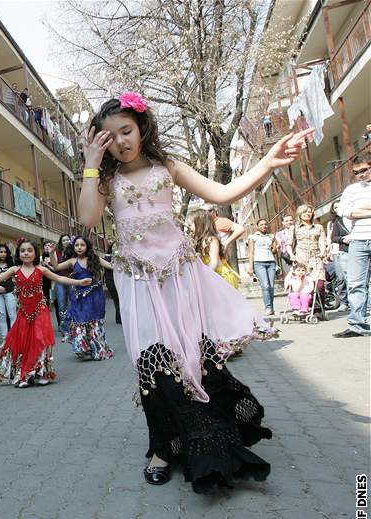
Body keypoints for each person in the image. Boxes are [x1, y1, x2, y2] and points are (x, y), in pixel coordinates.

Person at [76, 92, 311, 492]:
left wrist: (268, 161)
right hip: (137, 283)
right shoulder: (106, 181)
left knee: (192, 355)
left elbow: (223, 193)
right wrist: (91, 167)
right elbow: (87, 217)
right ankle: (162, 448)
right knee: (152, 360)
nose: (121, 141)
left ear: (142, 127)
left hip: (180, 277)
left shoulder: (168, 167)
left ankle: (210, 438)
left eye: (127, 130)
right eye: (110, 136)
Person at [0, 240, 91, 388]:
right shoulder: (14, 270)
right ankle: (25, 374)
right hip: (24, 311)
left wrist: (79, 282)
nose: (26, 253)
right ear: (19, 254)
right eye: (23, 251)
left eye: (29, 250)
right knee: (24, 342)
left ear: (35, 253)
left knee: (39, 340)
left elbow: (59, 278)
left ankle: (42, 373)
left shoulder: (41, 269)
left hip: (40, 310)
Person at [49, 236, 114, 361]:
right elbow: (56, 267)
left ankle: (98, 348)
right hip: (78, 296)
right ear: (73, 247)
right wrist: (52, 253)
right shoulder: (72, 261)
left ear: (87, 246)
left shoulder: (94, 259)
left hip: (95, 294)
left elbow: (111, 266)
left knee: (93, 321)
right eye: (77, 245)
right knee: (80, 320)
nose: (79, 247)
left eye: (82, 245)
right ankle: (83, 348)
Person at [334, 154, 371, 338]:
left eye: (364, 170)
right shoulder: (351, 190)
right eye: (356, 173)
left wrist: (358, 211)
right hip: (358, 241)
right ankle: (357, 325)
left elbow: (353, 212)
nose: (360, 175)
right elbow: (344, 211)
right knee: (356, 284)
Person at [190, 210, 241, 289]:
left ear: (200, 224)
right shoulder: (198, 241)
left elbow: (214, 262)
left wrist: (204, 278)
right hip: (212, 276)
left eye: (191, 224)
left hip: (222, 277)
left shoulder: (211, 240)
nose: (189, 227)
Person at [287, 204, 326, 285]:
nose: (307, 214)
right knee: (305, 285)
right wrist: (291, 255)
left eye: (309, 212)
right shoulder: (294, 228)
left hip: (316, 258)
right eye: (304, 212)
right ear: (299, 214)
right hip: (301, 259)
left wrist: (322, 252)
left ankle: (321, 298)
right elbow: (289, 244)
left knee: (319, 285)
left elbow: (322, 242)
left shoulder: (319, 227)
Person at [247, 219, 279, 316]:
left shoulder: (271, 236)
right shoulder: (252, 237)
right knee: (265, 286)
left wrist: (276, 247)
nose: (264, 226)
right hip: (259, 263)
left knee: (271, 286)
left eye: (265, 224)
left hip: (271, 262)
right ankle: (268, 307)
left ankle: (272, 308)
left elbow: (274, 251)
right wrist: (250, 267)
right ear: (257, 226)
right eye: (261, 224)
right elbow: (251, 252)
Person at [0, 244, 17, 345]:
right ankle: (5, 340)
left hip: (10, 292)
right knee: (1, 316)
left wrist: (14, 287)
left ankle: (14, 338)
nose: (3, 254)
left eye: (5, 252)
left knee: (12, 315)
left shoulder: (11, 264)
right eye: (1, 252)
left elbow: (16, 277)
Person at [327, 201, 351, 312]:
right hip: (337, 252)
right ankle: (343, 302)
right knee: (340, 278)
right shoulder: (332, 223)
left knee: (351, 278)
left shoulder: (350, 219)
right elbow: (330, 238)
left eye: (339, 206)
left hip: (349, 250)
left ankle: (353, 301)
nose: (338, 208)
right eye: (335, 207)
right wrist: (329, 251)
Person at [52, 234, 72, 334]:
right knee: (61, 305)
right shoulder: (57, 252)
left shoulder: (73, 251)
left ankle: (72, 325)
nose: (66, 242)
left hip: (71, 280)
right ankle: (63, 327)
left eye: (68, 239)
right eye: (64, 240)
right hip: (60, 280)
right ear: (61, 242)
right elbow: (56, 266)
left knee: (72, 304)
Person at [102, 238, 121, 324]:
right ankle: (119, 318)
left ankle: (121, 317)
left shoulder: (121, 258)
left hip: (120, 280)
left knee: (121, 298)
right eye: (114, 247)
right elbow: (105, 268)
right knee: (116, 298)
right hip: (110, 280)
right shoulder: (107, 257)